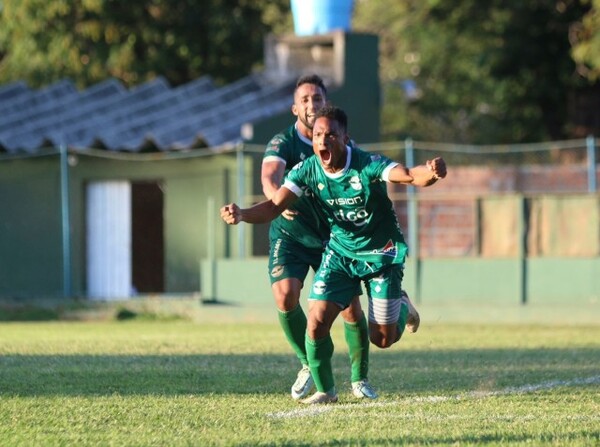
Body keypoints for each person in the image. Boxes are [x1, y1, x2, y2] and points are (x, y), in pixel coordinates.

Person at [222, 105, 447, 404]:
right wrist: (242, 214)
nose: (322, 141)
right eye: (317, 135)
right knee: (316, 320)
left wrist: (430, 173)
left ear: (345, 138)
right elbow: (274, 205)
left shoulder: (366, 164)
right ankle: (326, 391)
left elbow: (406, 175)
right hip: (341, 253)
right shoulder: (306, 170)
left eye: (330, 135)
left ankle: (403, 306)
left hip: (381, 253)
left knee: (382, 339)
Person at [261, 75, 375, 400]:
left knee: (351, 309)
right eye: (306, 100)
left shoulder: (342, 143)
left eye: (318, 99)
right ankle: (308, 363)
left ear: (327, 104)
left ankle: (359, 379)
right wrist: (276, 201)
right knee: (285, 297)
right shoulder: (282, 142)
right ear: (295, 107)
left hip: (332, 238)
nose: (312, 105)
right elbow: (270, 176)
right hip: (292, 234)